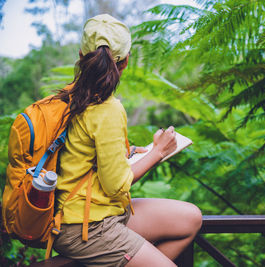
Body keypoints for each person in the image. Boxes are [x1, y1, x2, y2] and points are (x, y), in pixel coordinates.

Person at [52, 14, 202, 267]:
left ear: (80, 56)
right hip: (84, 226)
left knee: (191, 218)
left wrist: (128, 152)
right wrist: (158, 152)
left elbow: (80, 154)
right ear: (126, 61)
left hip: (103, 213)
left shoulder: (67, 98)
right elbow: (115, 186)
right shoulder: (107, 109)